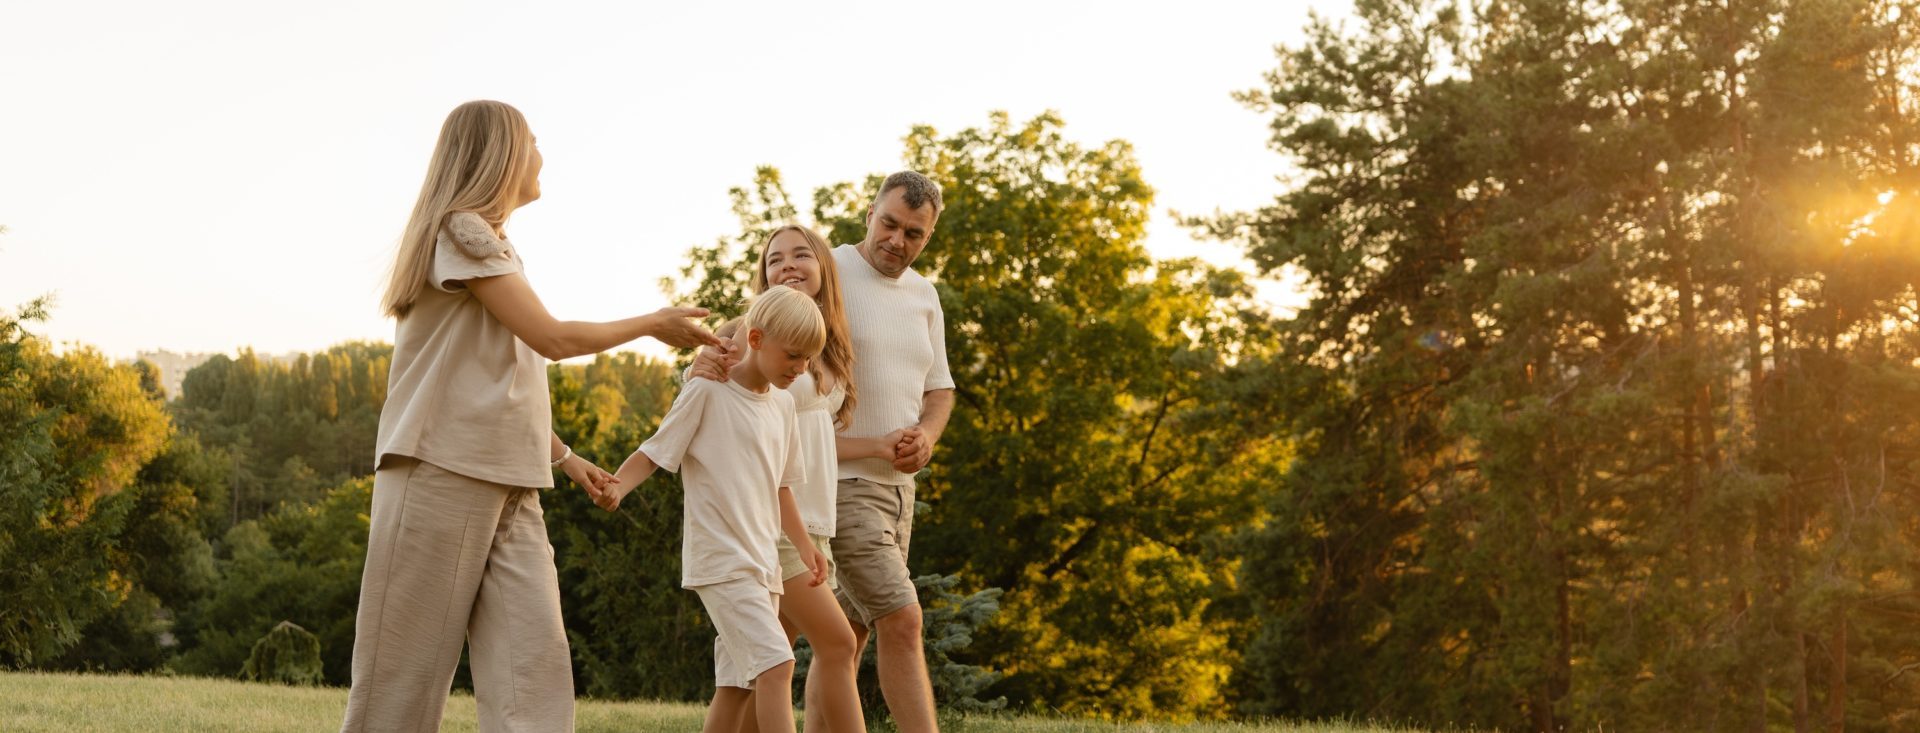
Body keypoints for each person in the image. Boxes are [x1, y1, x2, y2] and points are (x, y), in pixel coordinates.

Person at [342, 99, 720, 733]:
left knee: (534, 676)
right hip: (439, 475)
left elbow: (498, 384)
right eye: (535, 140)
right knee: (399, 690)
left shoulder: (491, 244)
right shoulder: (463, 232)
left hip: (511, 482)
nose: (543, 154)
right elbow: (553, 340)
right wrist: (652, 324)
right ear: (503, 154)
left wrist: (569, 461)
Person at [693, 171, 954, 732]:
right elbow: (737, 348)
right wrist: (702, 360)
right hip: (811, 498)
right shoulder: (818, 275)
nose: (897, 240)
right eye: (889, 224)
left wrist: (925, 435)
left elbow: (940, 388)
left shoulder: (916, 297)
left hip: (861, 501)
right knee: (884, 625)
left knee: (786, 653)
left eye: (914, 233)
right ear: (869, 213)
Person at [595, 285, 830, 733]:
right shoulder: (707, 391)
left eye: (808, 360)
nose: (800, 370)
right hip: (722, 562)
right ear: (757, 339)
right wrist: (618, 487)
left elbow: (781, 488)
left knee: (737, 684)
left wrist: (804, 548)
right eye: (793, 357)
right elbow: (655, 450)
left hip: (764, 566)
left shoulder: (782, 407)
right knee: (777, 663)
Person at [719, 225, 868, 733]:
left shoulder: (824, 340)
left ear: (823, 266)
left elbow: (817, 438)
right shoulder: (751, 332)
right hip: (775, 517)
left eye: (801, 255)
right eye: (774, 259)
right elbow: (720, 399)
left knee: (758, 666)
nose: (787, 265)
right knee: (838, 643)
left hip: (813, 517)